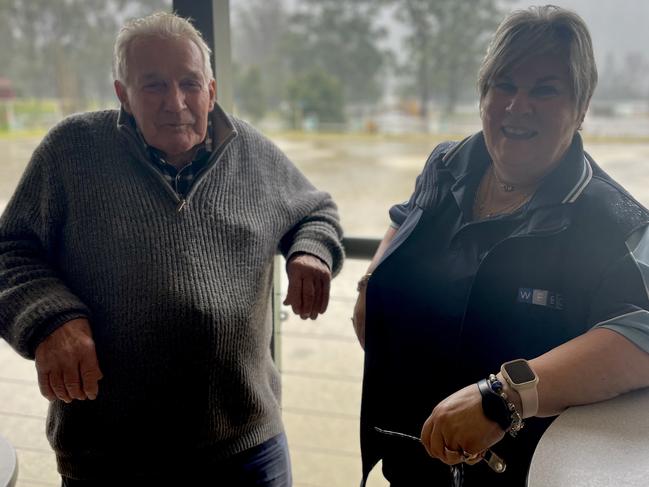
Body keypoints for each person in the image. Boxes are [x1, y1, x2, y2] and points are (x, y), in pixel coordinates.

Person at [0, 12, 344, 486]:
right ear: (123, 94)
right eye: (154, 86)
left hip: (248, 449)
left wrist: (310, 251)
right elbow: (9, 251)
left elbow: (316, 209)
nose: (176, 102)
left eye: (189, 83)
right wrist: (50, 318)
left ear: (212, 89)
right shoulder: (70, 152)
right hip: (111, 459)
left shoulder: (252, 153)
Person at [353, 5, 649, 486]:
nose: (517, 105)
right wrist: (372, 282)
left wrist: (505, 396)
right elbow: (406, 218)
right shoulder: (448, 164)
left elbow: (643, 333)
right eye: (504, 85)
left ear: (581, 106)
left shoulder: (612, 220)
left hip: (521, 473)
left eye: (545, 90)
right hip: (409, 460)